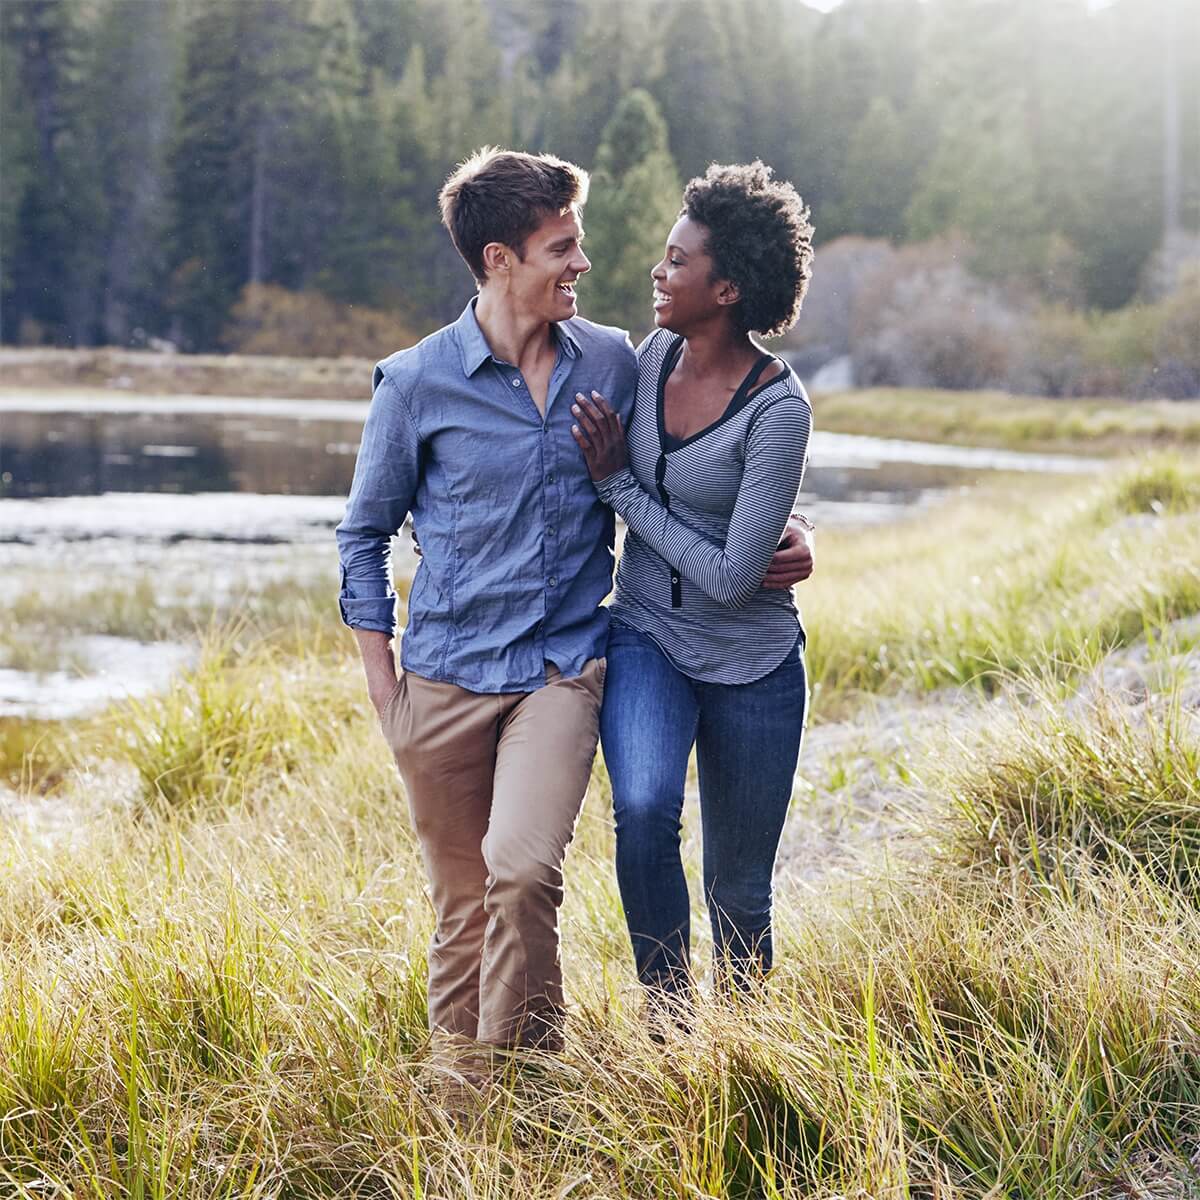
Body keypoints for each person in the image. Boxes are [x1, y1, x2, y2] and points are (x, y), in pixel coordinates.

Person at [336, 148, 814, 1075]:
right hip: (467, 669)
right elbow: (362, 537)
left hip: (577, 668)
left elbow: (724, 474)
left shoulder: (611, 361)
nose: (591, 265)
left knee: (538, 871)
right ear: (497, 258)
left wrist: (792, 532)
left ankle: (700, 1058)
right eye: (562, 245)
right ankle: (498, 1090)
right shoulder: (426, 382)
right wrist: (382, 686)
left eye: (581, 241)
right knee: (472, 900)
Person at [571, 160, 815, 1011]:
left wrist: (621, 489)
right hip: (645, 636)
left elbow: (726, 577)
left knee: (739, 892)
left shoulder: (780, 408)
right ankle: (670, 1020)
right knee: (641, 814)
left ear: (728, 288)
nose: (659, 271)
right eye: (665, 255)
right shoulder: (650, 355)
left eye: (679, 260)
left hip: (753, 665)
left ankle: (743, 1050)